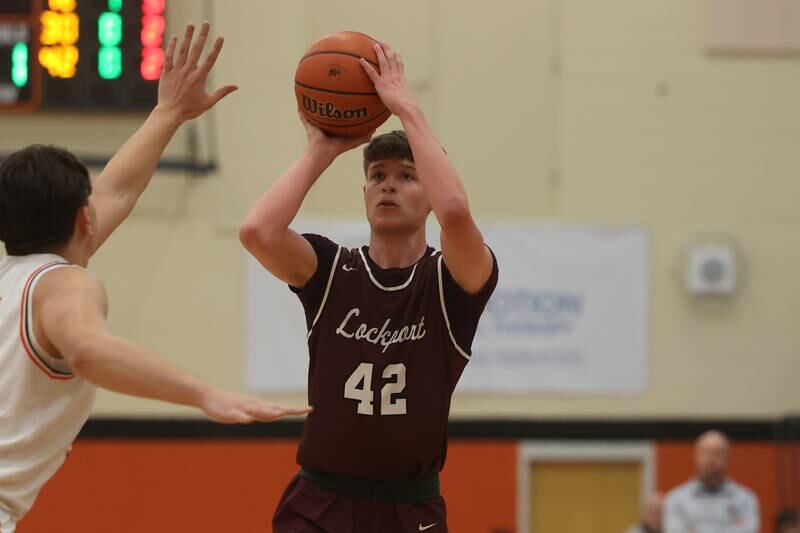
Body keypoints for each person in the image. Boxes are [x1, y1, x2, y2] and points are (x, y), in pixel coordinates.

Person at [0, 23, 310, 533]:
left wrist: (169, 112)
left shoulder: (19, 277)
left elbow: (117, 190)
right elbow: (88, 350)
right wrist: (203, 393)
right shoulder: (66, 284)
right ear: (84, 219)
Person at [240, 41, 498, 532]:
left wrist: (406, 107)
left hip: (409, 509)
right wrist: (320, 149)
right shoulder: (332, 270)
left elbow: (458, 213)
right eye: (378, 175)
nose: (388, 185)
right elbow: (257, 232)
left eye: (407, 176)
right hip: (320, 503)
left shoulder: (451, 282)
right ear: (364, 192)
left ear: (429, 199)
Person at [664, 430, 760, 533]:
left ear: (728, 457)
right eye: (706, 453)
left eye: (717, 453)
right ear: (696, 456)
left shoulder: (746, 499)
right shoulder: (675, 500)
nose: (711, 459)